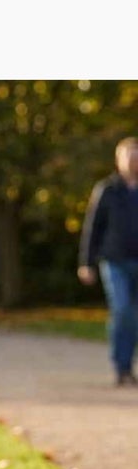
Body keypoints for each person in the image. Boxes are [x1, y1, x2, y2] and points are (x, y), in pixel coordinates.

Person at [78, 136, 138, 387]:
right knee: (122, 309)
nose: (134, 161)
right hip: (114, 261)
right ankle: (120, 365)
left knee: (134, 316)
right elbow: (93, 227)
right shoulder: (107, 190)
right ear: (119, 159)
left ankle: (127, 367)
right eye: (130, 156)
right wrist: (86, 262)